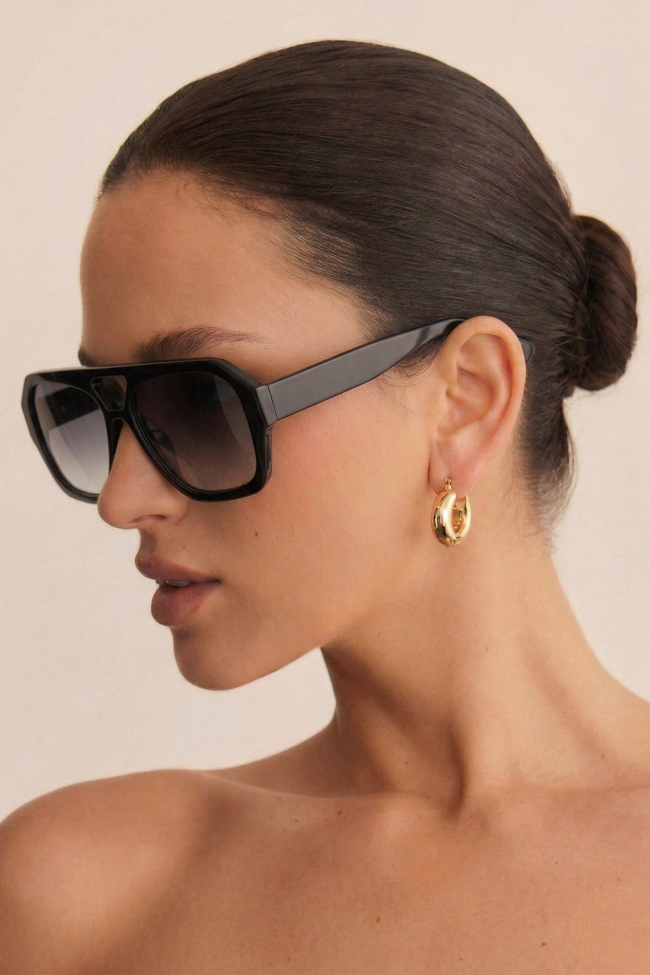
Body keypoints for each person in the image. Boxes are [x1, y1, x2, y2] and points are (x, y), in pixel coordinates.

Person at [1, 38, 646, 974]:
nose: (120, 498)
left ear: (466, 398)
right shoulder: (79, 894)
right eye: (102, 409)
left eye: (200, 400)